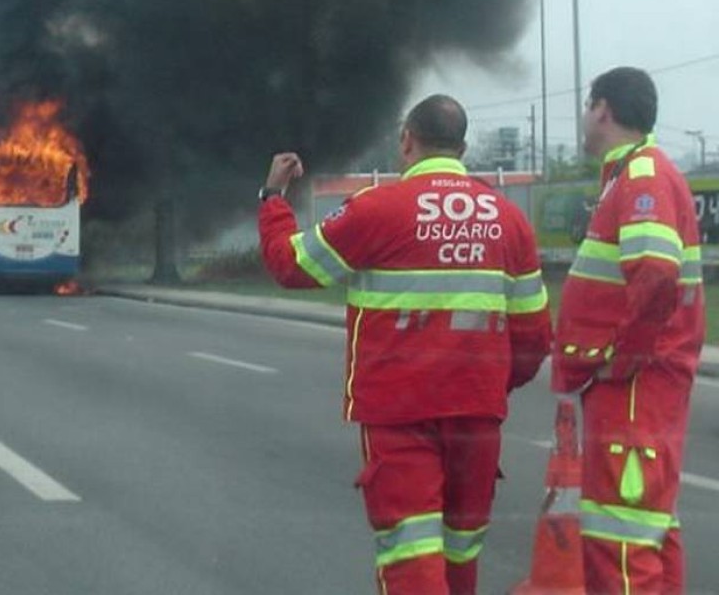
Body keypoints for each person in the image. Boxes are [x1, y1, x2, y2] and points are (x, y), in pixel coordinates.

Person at [257, 94, 551, 595]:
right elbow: (534, 336)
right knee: (461, 550)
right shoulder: (509, 220)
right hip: (477, 414)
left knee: (411, 554)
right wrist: (488, 384)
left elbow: (292, 265)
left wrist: (272, 197)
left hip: (400, 414)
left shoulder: (377, 209)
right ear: (460, 147)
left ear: (407, 141)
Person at [554, 66, 704, 594]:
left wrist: (626, 356)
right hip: (640, 384)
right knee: (648, 528)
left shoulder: (641, 176)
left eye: (586, 106)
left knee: (620, 538)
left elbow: (657, 270)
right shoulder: (635, 175)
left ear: (602, 108)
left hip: (634, 386)